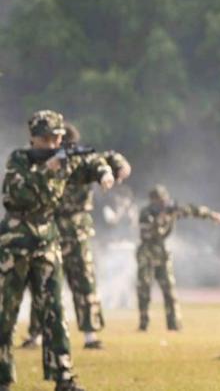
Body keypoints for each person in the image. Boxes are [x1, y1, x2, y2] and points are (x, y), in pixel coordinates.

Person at [0, 110, 113, 391]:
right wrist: (46, 171)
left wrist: (106, 172)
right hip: (15, 245)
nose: (54, 143)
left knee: (55, 310)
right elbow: (16, 195)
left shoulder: (65, 161)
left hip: (47, 244)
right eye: (48, 138)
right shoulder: (19, 161)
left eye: (58, 138)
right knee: (5, 313)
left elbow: (92, 162)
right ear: (34, 139)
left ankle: (63, 376)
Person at [21, 123, 130, 351]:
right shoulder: (39, 161)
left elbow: (108, 159)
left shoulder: (82, 160)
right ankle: (37, 333)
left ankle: (90, 335)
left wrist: (116, 170)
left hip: (76, 230)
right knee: (43, 281)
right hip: (50, 227)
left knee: (83, 281)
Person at [136, 185, 220, 331]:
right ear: (153, 201)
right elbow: (147, 233)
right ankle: (143, 323)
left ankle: (174, 324)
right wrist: (160, 219)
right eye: (159, 201)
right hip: (147, 254)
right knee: (144, 291)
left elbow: (192, 210)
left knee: (169, 290)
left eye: (164, 200)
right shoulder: (146, 213)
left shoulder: (171, 210)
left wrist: (211, 215)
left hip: (162, 254)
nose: (163, 203)